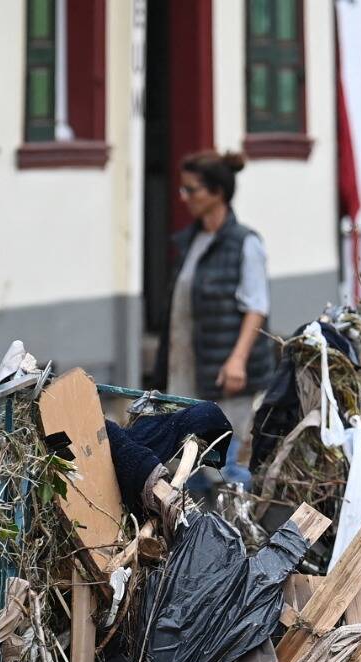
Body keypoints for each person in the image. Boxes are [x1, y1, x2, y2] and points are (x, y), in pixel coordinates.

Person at [157, 149, 274, 467]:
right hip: (188, 369)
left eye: (191, 189)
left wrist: (237, 361)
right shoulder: (190, 241)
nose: (184, 197)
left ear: (217, 193)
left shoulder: (245, 243)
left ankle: (234, 517)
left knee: (227, 462)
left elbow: (256, 307)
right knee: (187, 461)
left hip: (225, 377)